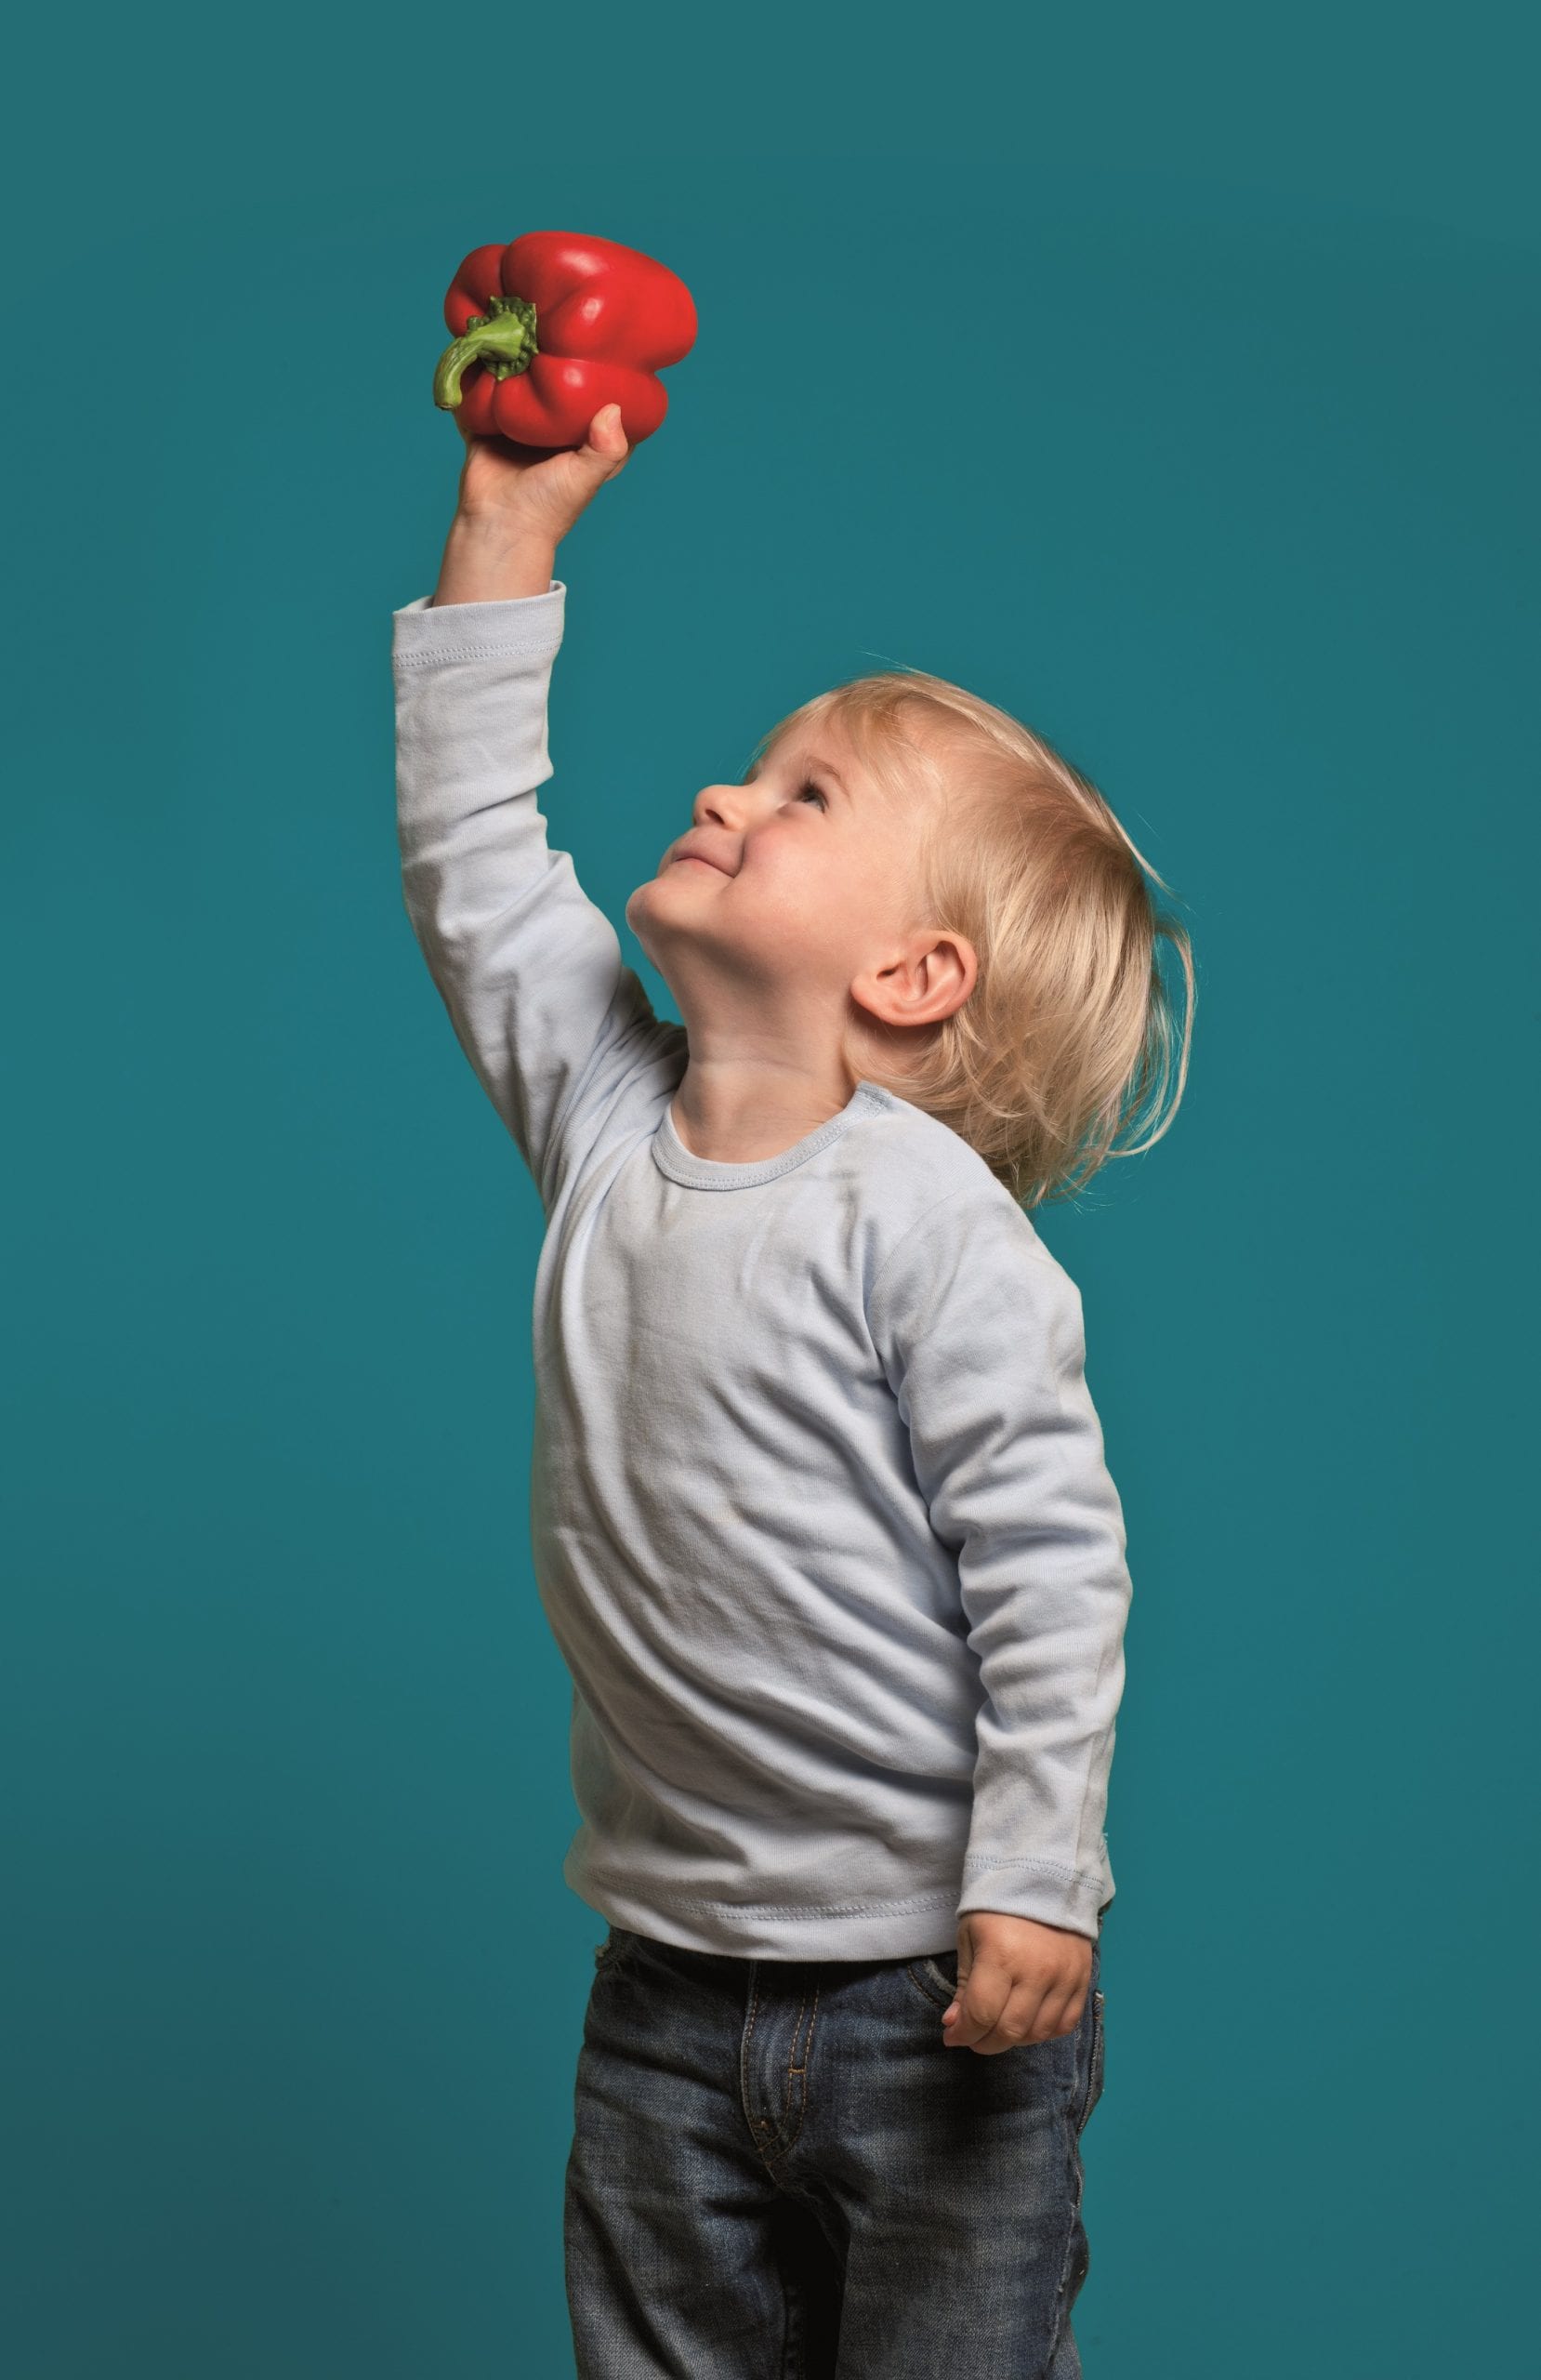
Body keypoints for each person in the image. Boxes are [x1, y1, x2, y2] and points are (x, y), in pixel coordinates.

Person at [392, 401, 1193, 2376]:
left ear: (914, 976)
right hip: (665, 1981)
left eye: (805, 794)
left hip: (931, 1990)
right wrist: (507, 528)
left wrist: (1037, 1878)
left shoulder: (926, 1229)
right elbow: (475, 853)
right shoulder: (603, 1113)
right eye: (755, 770)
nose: (729, 792)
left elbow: (1050, 1570)